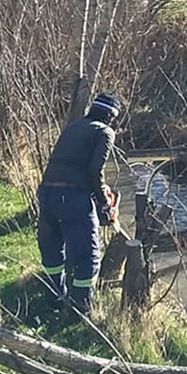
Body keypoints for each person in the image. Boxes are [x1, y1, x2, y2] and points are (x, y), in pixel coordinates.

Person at [36, 92, 122, 315]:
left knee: (53, 251)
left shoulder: (73, 127)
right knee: (88, 257)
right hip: (72, 198)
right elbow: (95, 171)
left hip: (46, 192)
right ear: (111, 116)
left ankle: (54, 300)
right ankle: (79, 310)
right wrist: (104, 202)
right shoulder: (105, 132)